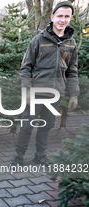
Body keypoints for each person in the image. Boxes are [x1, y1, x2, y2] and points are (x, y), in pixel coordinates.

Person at [11, 1, 80, 167]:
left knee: (46, 125)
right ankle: (19, 157)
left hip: (55, 94)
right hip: (35, 92)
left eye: (66, 16)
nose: (62, 19)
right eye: (59, 16)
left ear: (71, 18)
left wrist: (74, 94)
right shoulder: (38, 40)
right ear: (52, 17)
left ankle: (40, 155)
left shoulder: (71, 43)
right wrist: (26, 91)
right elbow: (26, 68)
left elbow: (72, 70)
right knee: (27, 126)